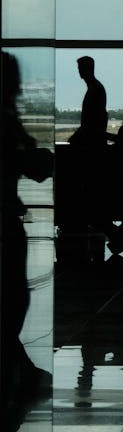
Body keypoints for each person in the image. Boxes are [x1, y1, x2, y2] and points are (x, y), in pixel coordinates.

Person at [1, 53, 54, 405]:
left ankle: (18, 367)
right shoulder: (8, 122)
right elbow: (35, 167)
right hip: (6, 219)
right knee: (13, 299)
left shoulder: (9, 122)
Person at [69, 55, 108, 146]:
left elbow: (92, 120)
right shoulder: (96, 87)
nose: (79, 71)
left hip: (92, 141)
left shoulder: (95, 89)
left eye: (81, 68)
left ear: (88, 69)